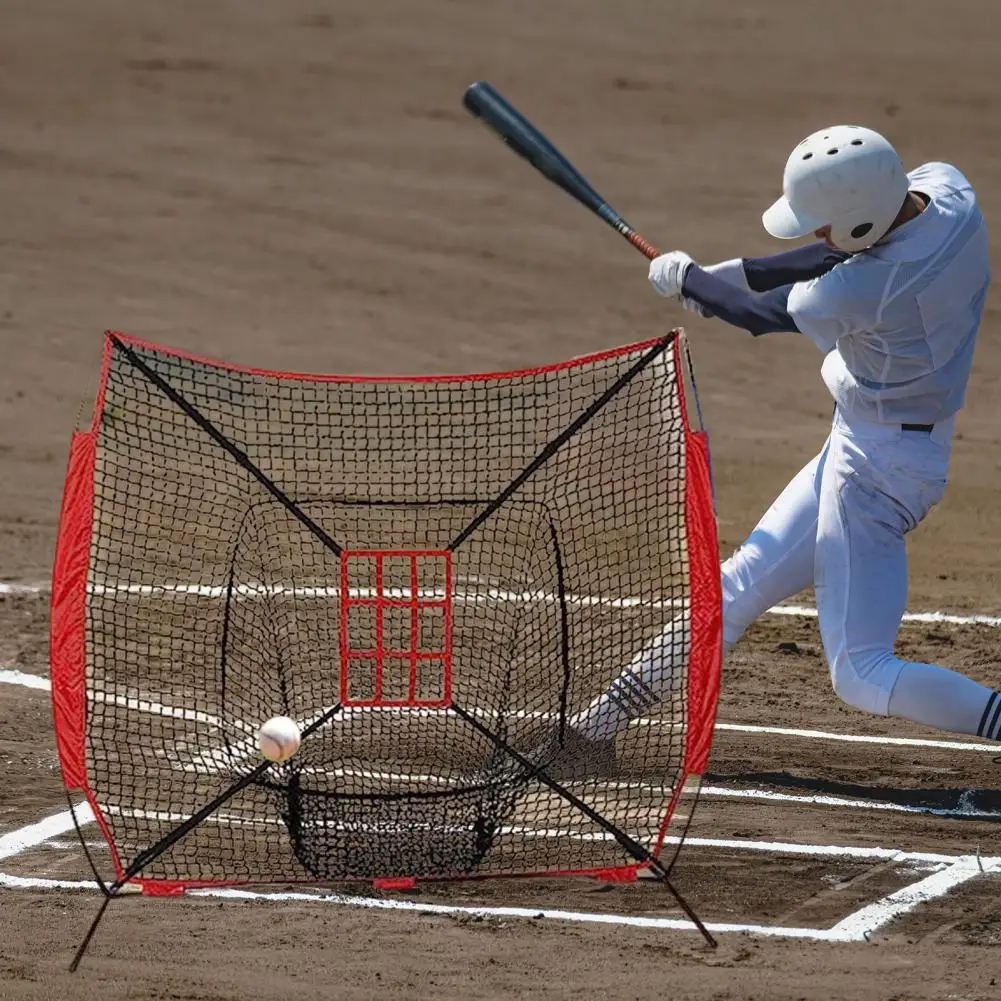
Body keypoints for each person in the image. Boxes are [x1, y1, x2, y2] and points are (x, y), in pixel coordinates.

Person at [547, 125, 996, 779]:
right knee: (738, 582)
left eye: (826, 224)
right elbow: (829, 254)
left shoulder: (869, 287)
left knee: (861, 672)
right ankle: (593, 730)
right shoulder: (949, 192)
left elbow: (761, 314)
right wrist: (728, 276)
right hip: (880, 443)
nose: (817, 234)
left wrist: (693, 283)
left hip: (875, 473)